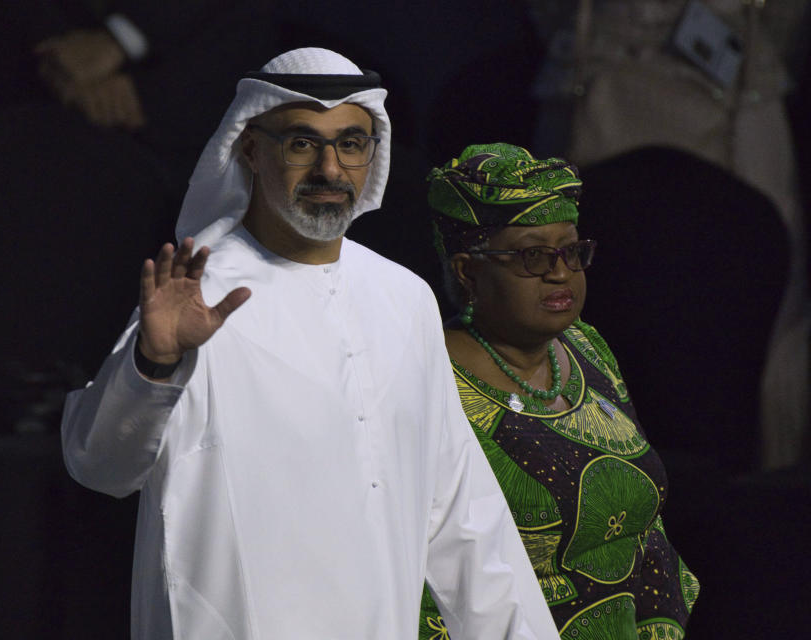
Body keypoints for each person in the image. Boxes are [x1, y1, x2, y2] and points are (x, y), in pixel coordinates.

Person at [60, 49, 560, 639]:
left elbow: (462, 517)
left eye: (351, 143)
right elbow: (101, 466)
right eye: (302, 143)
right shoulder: (200, 295)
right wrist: (155, 364)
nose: (330, 168)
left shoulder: (404, 298)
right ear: (250, 148)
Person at [418, 143, 700, 639]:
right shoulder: (429, 378)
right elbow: (422, 573)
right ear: (468, 271)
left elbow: (645, 534)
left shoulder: (585, 347)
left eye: (571, 251)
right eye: (533, 256)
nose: (560, 271)